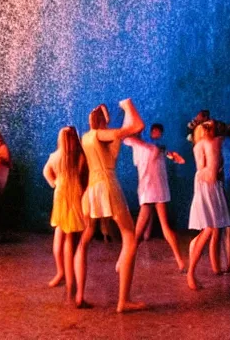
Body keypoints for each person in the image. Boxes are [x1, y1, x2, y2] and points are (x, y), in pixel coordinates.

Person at [75, 98, 145, 313]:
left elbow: (119, 131)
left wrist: (108, 116)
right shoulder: (100, 135)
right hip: (107, 185)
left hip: (92, 188)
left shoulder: (87, 137)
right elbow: (137, 127)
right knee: (130, 237)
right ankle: (123, 300)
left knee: (85, 240)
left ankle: (80, 293)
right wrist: (129, 105)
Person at [187, 102, 230, 271]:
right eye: (207, 123)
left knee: (217, 227)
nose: (209, 124)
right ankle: (213, 265)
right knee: (216, 226)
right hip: (212, 184)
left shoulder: (209, 140)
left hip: (215, 183)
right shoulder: (209, 142)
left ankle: (218, 266)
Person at [123, 123, 185, 271]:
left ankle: (179, 260)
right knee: (140, 233)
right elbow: (126, 138)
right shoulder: (140, 145)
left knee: (155, 229)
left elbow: (177, 158)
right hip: (149, 190)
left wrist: (172, 155)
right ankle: (124, 262)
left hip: (154, 190)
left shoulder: (152, 146)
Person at [186, 121, 230, 290]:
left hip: (209, 185)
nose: (210, 129)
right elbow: (207, 171)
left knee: (212, 228)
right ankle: (191, 272)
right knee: (210, 228)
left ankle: (195, 245)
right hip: (207, 186)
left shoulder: (208, 143)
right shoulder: (206, 144)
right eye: (207, 127)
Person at [42, 126, 88, 299]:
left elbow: (46, 171)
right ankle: (69, 281)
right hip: (75, 193)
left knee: (59, 233)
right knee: (70, 237)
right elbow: (83, 176)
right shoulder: (79, 156)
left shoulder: (54, 156)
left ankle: (61, 272)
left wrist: (55, 183)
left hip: (60, 193)